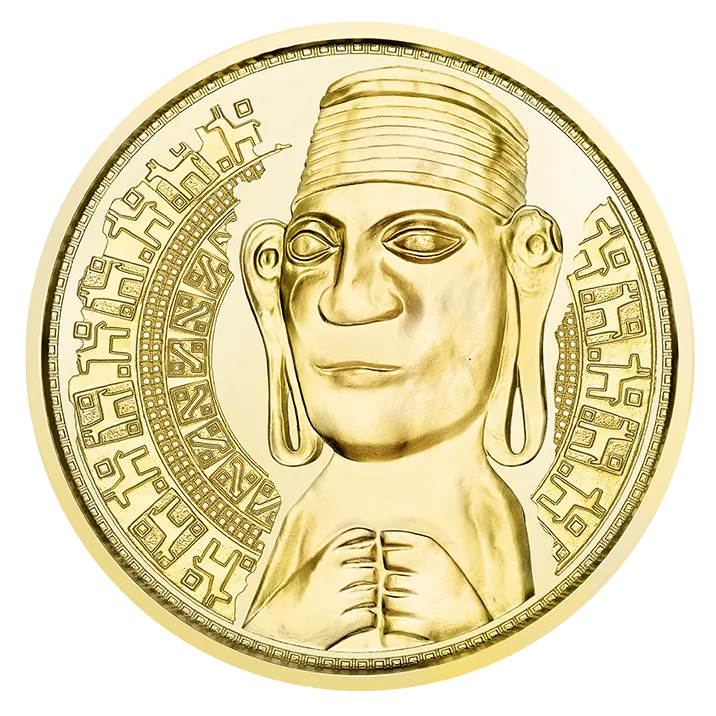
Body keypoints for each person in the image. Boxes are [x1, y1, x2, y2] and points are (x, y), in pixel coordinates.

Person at [239, 66, 562, 651]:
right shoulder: (307, 515)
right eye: (313, 245)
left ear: (519, 265)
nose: (346, 300)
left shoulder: (485, 511)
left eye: (420, 242)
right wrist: (291, 622)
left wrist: (462, 622)